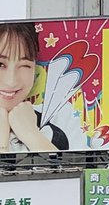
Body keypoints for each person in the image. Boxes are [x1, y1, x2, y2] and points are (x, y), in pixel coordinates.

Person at [0, 22, 66, 153]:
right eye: (1, 64)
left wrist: (31, 135)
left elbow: (74, 172)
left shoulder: (52, 132)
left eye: (25, 65)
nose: (11, 81)